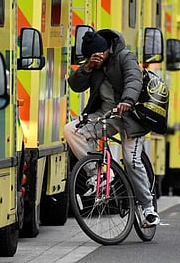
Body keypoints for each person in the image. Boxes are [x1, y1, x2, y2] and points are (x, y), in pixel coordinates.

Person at [64, 29, 160, 226]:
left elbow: (134, 80)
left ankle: (148, 209)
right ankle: (98, 175)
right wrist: (88, 67)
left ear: (107, 49)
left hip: (132, 117)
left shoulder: (125, 57)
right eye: (92, 56)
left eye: (99, 54)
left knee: (131, 161)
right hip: (107, 116)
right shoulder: (94, 64)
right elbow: (75, 85)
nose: (97, 58)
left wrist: (127, 101)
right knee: (71, 130)